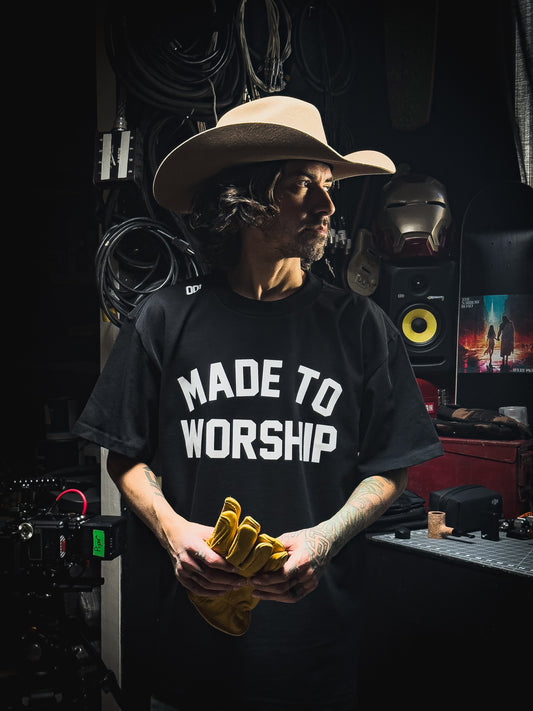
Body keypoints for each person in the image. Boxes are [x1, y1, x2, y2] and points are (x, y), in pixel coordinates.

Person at [73, 96, 443, 710]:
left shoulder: (360, 326)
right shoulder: (164, 318)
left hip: (312, 657)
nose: (327, 206)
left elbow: (390, 468)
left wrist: (325, 538)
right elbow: (125, 455)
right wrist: (173, 532)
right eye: (302, 185)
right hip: (188, 659)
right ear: (243, 198)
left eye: (328, 186)